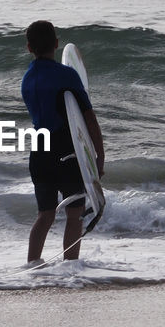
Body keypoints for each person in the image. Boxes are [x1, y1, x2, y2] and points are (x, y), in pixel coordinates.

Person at [21, 20, 104, 263]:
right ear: (56, 43)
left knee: (44, 215)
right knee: (75, 214)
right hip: (66, 153)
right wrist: (98, 157)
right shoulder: (67, 75)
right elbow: (88, 120)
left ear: (29, 48)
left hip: (39, 151)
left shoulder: (27, 79)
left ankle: (31, 267)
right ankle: (70, 269)